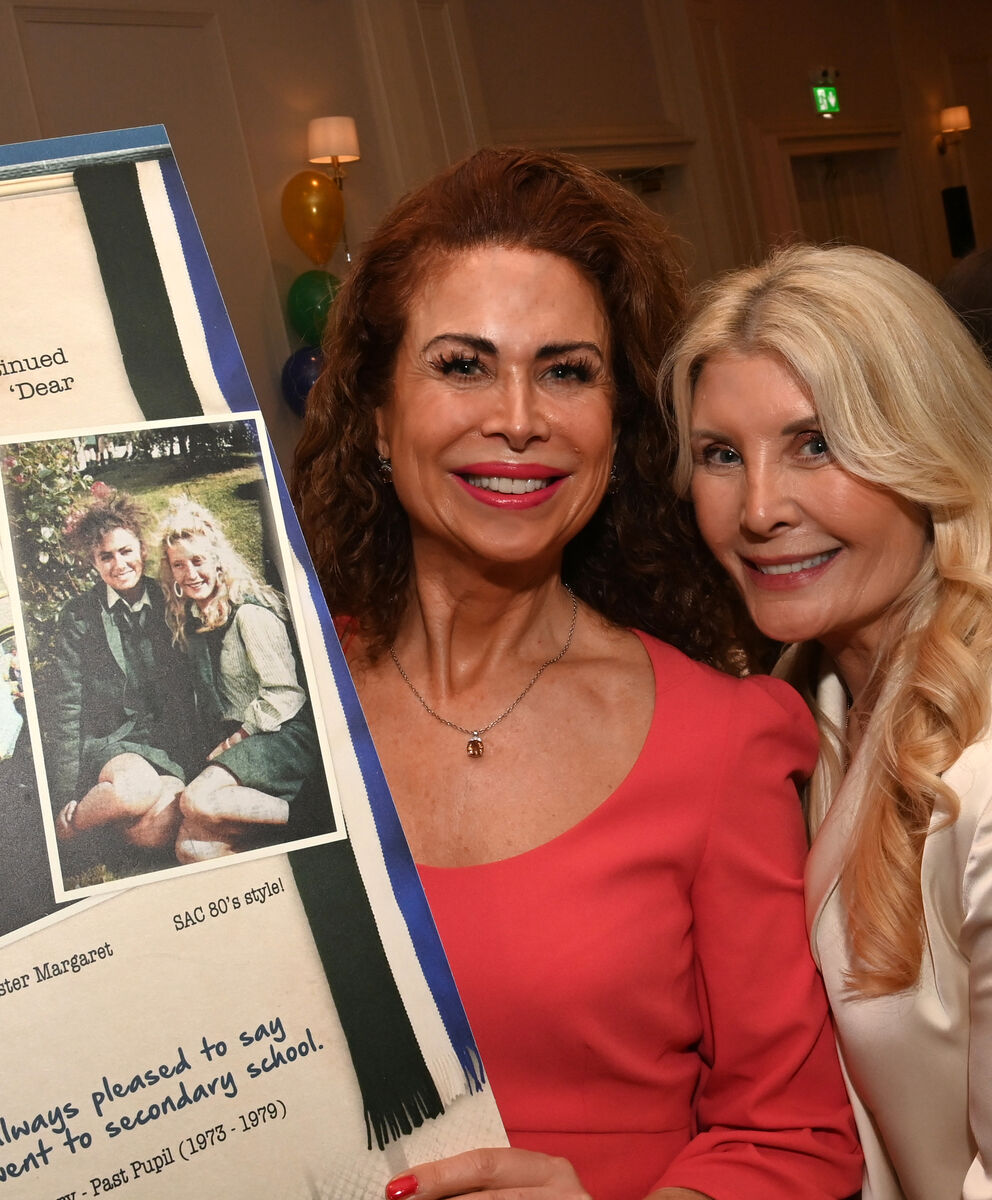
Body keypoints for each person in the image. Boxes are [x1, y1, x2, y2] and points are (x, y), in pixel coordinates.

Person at [293, 147, 861, 1200]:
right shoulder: (269, 701)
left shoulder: (718, 740)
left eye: (566, 371)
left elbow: (793, 1141)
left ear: (617, 422)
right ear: (375, 412)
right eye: (462, 365)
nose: (519, 417)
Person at [667, 241, 992, 1199]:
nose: (759, 509)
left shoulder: (983, 774)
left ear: (927, 447)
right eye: (722, 455)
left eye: (816, 443)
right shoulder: (801, 715)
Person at [159, 496, 323, 863]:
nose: (190, 573)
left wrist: (235, 740)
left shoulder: (249, 613)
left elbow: (286, 695)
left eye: (198, 561)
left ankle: (308, 818)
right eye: (179, 565)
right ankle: (271, 839)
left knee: (197, 800)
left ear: (217, 560)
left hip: (279, 735)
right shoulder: (193, 619)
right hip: (241, 741)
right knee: (191, 850)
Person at [51, 490, 192, 850]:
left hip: (164, 745)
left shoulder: (170, 600)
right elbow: (67, 706)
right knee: (135, 791)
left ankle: (110, 821)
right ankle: (69, 827)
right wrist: (65, 793)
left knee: (159, 830)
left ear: (142, 550)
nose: (119, 564)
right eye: (106, 556)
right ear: (94, 562)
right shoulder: (79, 616)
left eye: (126, 551)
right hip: (112, 743)